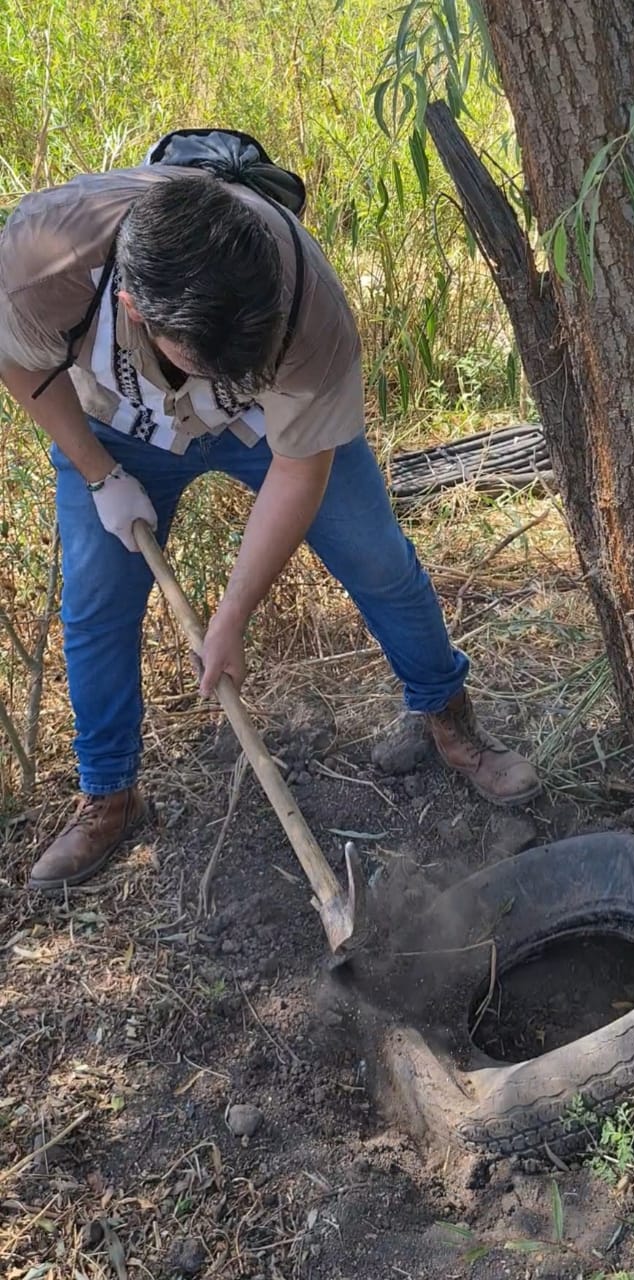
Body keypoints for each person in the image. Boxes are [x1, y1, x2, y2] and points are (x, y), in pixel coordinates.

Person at [0, 131, 540, 893]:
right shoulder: (40, 263)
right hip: (119, 427)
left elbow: (298, 470)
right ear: (134, 306)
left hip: (268, 431)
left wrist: (230, 618)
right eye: (202, 357)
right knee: (95, 599)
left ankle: (447, 720)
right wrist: (98, 474)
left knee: (377, 559)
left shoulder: (310, 307)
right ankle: (110, 797)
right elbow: (19, 360)